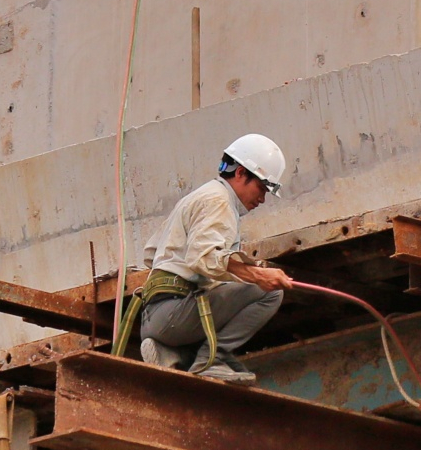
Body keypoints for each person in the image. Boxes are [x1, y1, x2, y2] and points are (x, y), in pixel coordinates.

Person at [122, 133, 295, 384]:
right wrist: (257, 274)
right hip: (174, 313)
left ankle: (175, 352)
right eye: (261, 187)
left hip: (155, 315)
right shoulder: (219, 201)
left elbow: (152, 253)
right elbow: (203, 258)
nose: (262, 198)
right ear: (240, 173)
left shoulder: (201, 196)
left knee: (223, 286)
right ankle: (212, 359)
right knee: (269, 294)